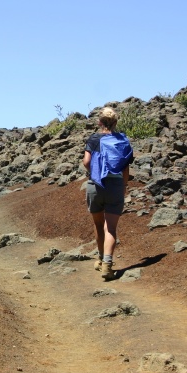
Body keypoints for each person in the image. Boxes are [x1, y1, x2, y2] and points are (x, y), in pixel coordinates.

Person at [82, 107, 134, 281]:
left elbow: (86, 162)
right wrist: (123, 185)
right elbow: (125, 167)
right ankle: (107, 264)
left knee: (98, 225)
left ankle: (99, 258)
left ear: (99, 122)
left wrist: (96, 173)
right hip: (115, 186)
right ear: (115, 122)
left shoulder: (94, 139)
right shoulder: (122, 140)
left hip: (95, 185)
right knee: (110, 228)